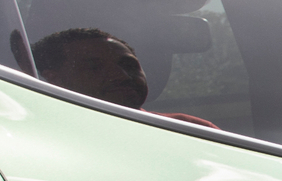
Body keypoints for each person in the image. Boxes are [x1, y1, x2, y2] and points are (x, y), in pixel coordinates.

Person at [31, 26, 219, 128]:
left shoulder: (190, 129)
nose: (120, 75)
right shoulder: (38, 138)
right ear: (54, 80)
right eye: (94, 67)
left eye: (128, 65)